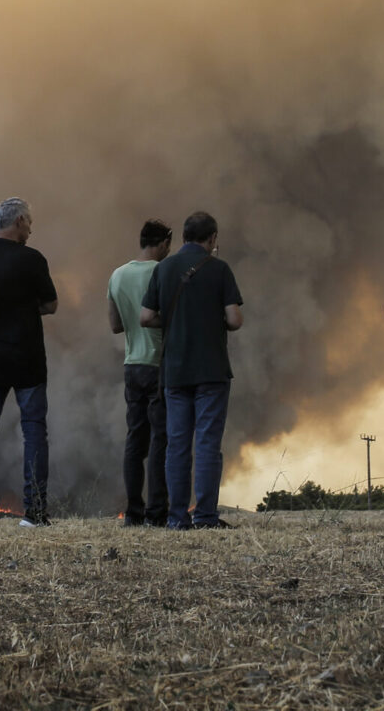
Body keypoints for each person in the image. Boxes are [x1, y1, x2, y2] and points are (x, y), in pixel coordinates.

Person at [141, 211, 243, 530]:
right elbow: (235, 320)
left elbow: (145, 317)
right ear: (212, 239)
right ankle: (206, 516)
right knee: (208, 444)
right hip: (211, 370)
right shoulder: (220, 269)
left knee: (177, 445)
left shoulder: (164, 269)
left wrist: (172, 322)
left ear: (183, 237)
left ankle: (176, 517)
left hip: (175, 372)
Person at [0, 198, 58, 526]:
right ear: (18, 221)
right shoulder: (32, 259)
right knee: (33, 432)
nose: (31, 229)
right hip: (28, 357)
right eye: (29, 223)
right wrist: (29, 306)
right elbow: (51, 305)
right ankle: (34, 513)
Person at [109, 220, 173, 527]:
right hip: (158, 364)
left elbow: (115, 325)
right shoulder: (162, 272)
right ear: (163, 243)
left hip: (131, 365)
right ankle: (157, 512)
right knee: (161, 439)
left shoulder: (117, 275)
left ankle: (133, 513)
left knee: (135, 441)